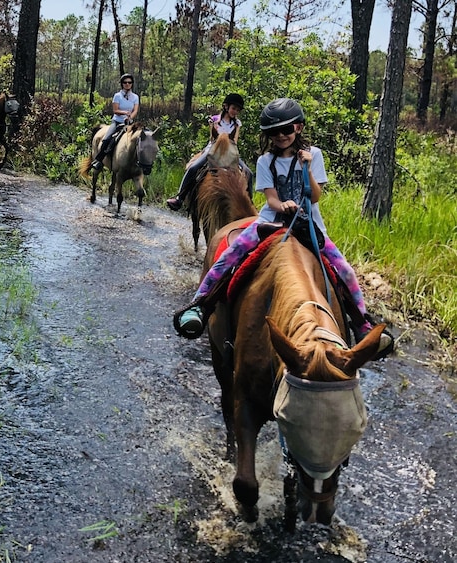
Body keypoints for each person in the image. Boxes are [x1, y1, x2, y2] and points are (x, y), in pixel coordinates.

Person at [173, 97, 394, 359]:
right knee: (228, 257)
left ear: (298, 128)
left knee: (343, 269)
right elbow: (270, 199)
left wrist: (307, 166)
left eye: (286, 130)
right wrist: (282, 205)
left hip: (308, 224)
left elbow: (314, 196)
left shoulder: (316, 155)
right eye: (274, 132)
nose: (281, 136)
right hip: (271, 221)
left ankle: (361, 323)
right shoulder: (265, 160)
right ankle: (200, 304)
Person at [166, 93, 253, 211]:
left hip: (230, 150)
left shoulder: (237, 124)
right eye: (234, 108)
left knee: (248, 172)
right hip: (213, 148)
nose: (235, 112)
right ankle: (179, 197)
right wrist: (215, 129)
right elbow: (212, 138)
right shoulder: (214, 119)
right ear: (226, 107)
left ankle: (249, 204)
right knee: (193, 167)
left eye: (238, 110)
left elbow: (234, 141)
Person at [91, 73, 140, 171]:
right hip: (117, 122)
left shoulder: (135, 97)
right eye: (125, 82)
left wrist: (130, 118)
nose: (127, 84)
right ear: (122, 84)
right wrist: (124, 113)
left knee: (140, 139)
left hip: (129, 123)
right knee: (107, 138)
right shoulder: (117, 96)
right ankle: (98, 160)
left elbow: (135, 110)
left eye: (129, 82)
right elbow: (115, 110)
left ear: (132, 84)